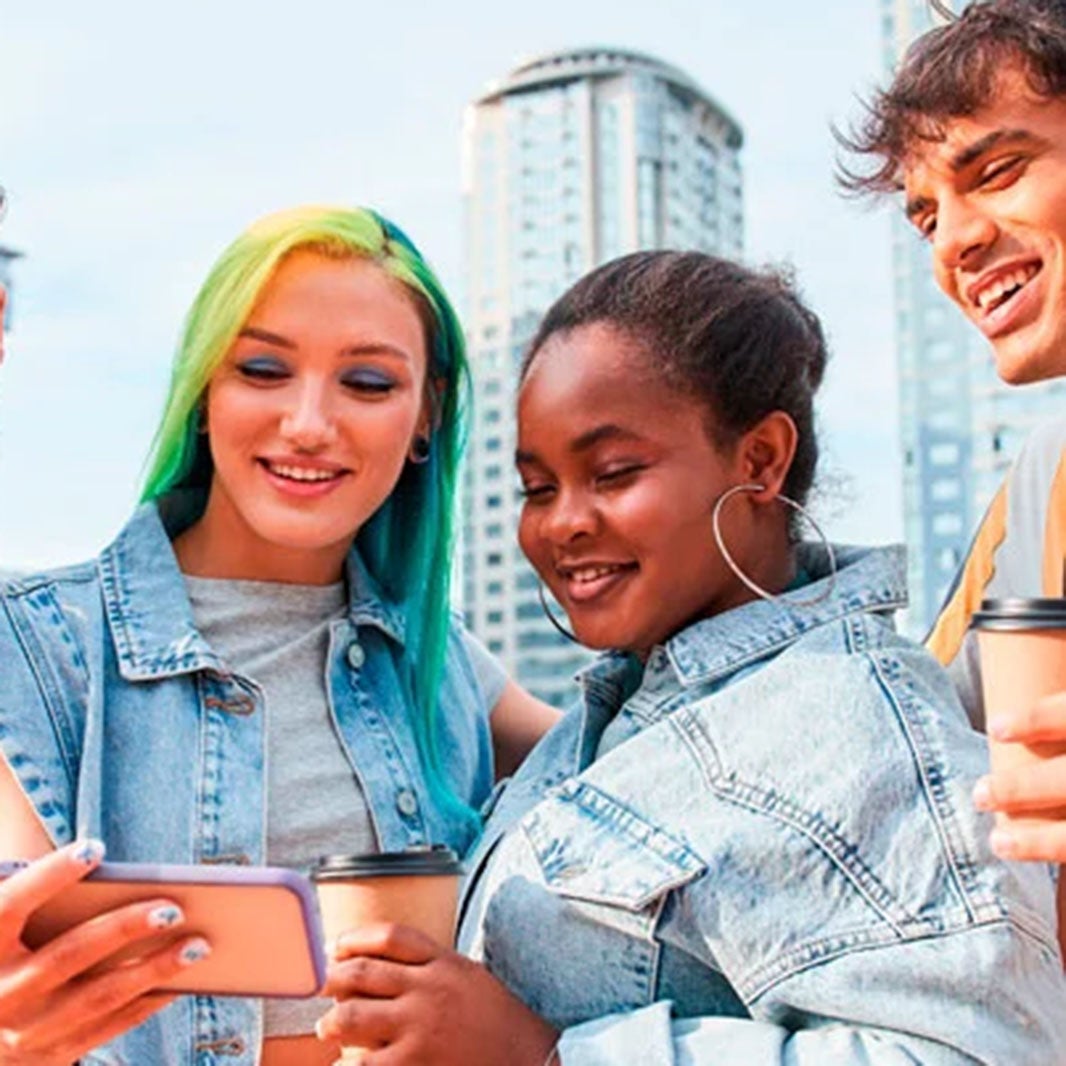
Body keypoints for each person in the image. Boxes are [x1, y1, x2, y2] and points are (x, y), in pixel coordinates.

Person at [317, 251, 1066, 1065]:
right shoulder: (599, 727)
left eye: (613, 473)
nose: (563, 523)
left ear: (760, 460)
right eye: (538, 488)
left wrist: (545, 1053)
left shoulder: (855, 726)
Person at [0, 204, 557, 1065]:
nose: (308, 424)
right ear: (204, 392)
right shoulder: (34, 650)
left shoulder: (442, 665)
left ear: (426, 415)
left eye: (367, 383)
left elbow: (649, 769)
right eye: (262, 369)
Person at [841, 0, 1066, 863]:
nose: (954, 244)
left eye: (999, 171)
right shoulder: (1048, 479)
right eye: (929, 218)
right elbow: (909, 743)